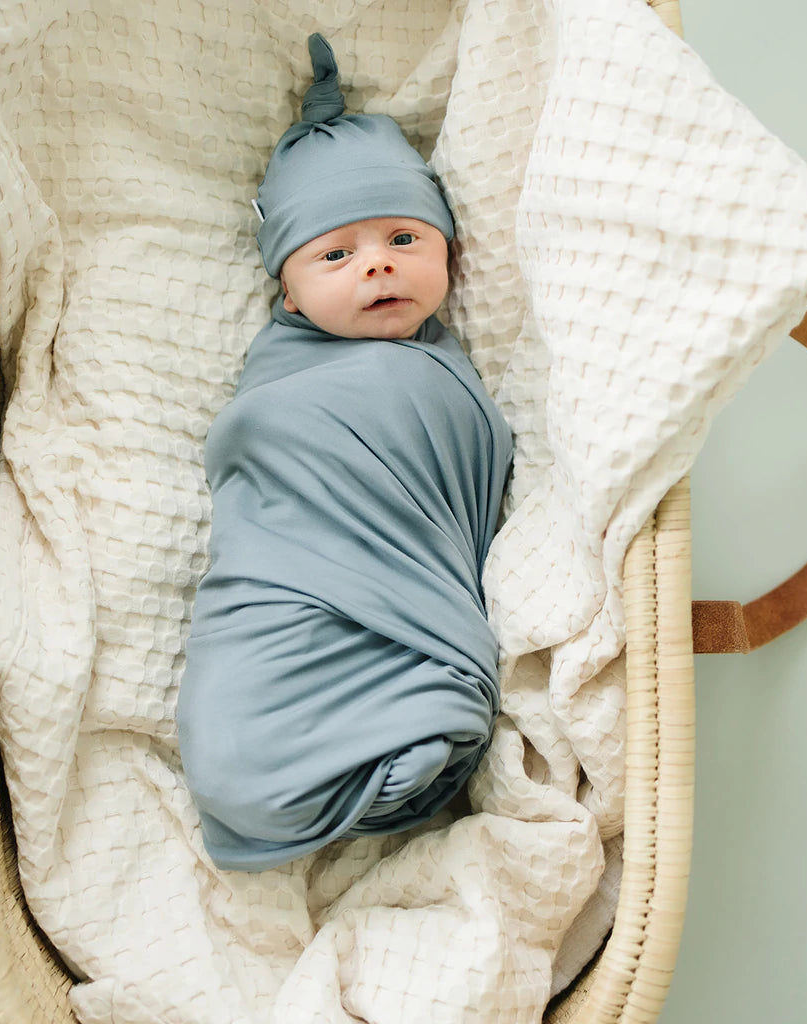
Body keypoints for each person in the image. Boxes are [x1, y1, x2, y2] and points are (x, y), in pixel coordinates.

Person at [177, 34, 513, 872]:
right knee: (236, 747)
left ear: (449, 252)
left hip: (399, 581)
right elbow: (269, 476)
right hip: (285, 583)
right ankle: (296, 755)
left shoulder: (447, 363)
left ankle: (401, 722)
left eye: (404, 239)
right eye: (337, 254)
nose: (377, 266)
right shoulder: (282, 381)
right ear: (287, 293)